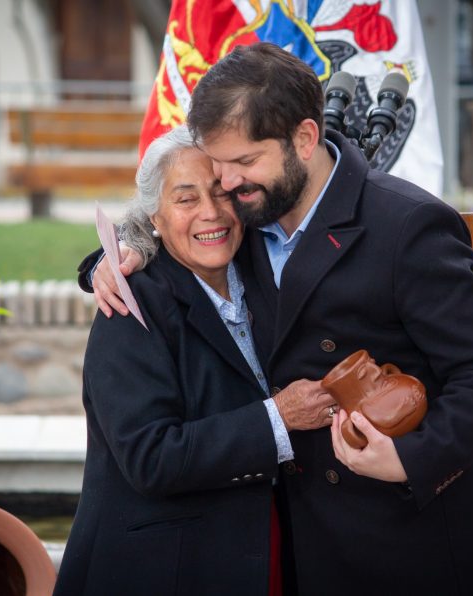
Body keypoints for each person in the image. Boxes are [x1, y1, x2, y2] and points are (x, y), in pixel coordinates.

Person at [80, 43, 473, 594]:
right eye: (219, 165)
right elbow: (182, 235)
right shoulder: (248, 215)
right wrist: (117, 253)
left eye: (243, 163)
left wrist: (410, 457)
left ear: (305, 139)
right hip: (308, 550)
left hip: (413, 546)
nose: (227, 186)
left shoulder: (407, 226)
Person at [55, 125, 337, 595]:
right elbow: (151, 457)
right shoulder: (130, 308)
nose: (211, 212)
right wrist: (278, 419)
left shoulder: (264, 278)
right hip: (161, 572)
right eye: (185, 200)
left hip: (259, 554)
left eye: (222, 193)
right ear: (155, 220)